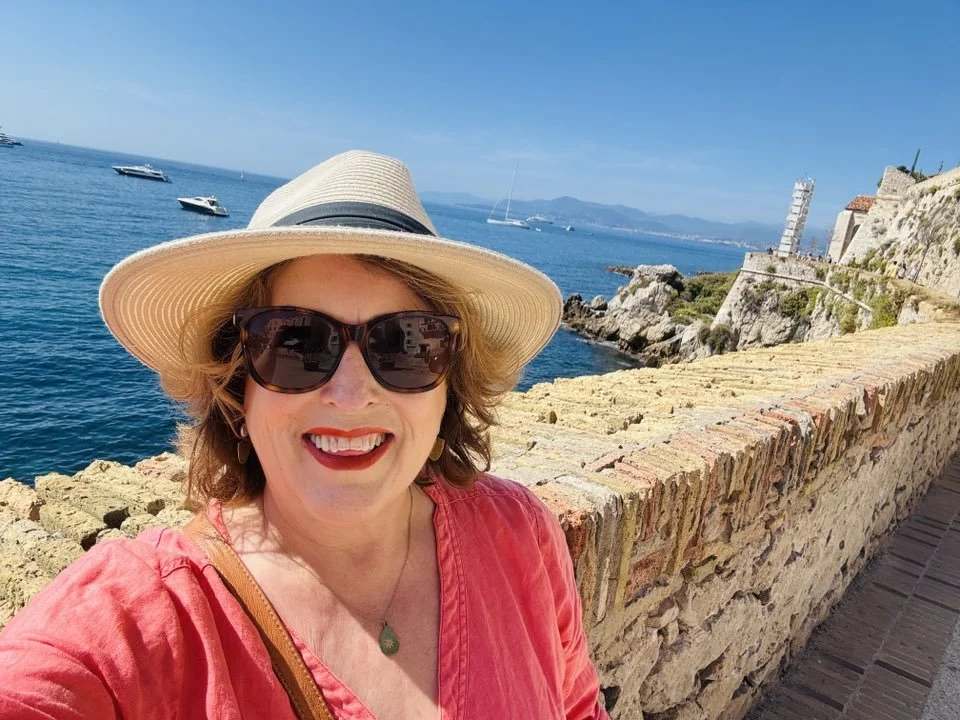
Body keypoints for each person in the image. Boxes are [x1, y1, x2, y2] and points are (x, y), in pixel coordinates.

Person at [0, 151, 609, 719]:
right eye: (296, 342)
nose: (350, 394)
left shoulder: (519, 534)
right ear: (236, 385)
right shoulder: (143, 621)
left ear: (450, 385)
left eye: (406, 344)